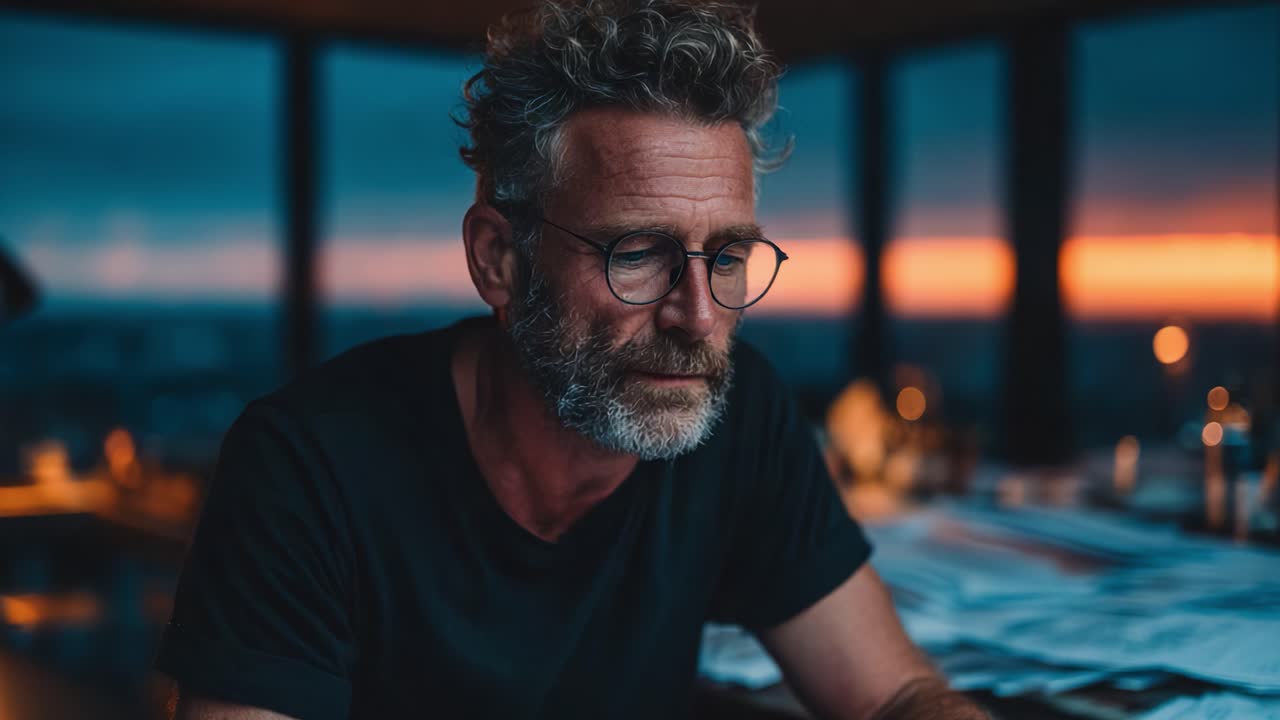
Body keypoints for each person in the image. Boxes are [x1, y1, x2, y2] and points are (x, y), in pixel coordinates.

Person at [156, 1, 989, 718]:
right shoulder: (307, 467)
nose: (697, 317)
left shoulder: (742, 415)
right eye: (636, 252)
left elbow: (895, 695)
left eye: (727, 258)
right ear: (499, 261)